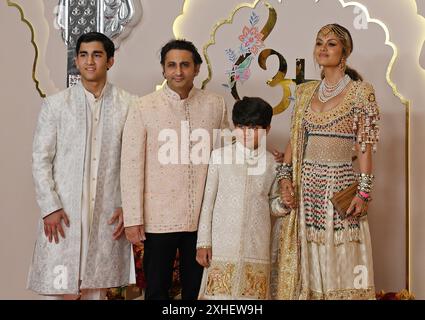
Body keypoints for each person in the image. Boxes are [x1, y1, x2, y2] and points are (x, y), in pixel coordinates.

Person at [28, 32, 136, 299]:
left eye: (97, 55)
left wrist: (128, 205)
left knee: (97, 289)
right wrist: (50, 206)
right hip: (65, 212)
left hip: (108, 209)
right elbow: (40, 159)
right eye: (84, 55)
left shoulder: (129, 105)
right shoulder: (56, 105)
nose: (90, 62)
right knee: (63, 286)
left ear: (110, 61)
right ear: (76, 61)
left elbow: (135, 161)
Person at [275, 23, 380, 300]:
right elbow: (295, 139)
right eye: (319, 42)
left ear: (345, 51)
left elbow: (366, 145)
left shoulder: (361, 92)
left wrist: (364, 191)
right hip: (306, 186)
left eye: (331, 43)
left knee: (343, 252)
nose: (323, 48)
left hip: (340, 186)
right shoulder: (306, 92)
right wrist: (285, 177)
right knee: (308, 251)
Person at [120, 39, 229, 300]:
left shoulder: (215, 104)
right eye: (171, 65)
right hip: (158, 218)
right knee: (157, 289)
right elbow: (131, 164)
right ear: (163, 69)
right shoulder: (144, 106)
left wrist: (259, 151)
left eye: (184, 65)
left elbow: (228, 148)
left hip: (201, 218)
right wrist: (133, 217)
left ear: (197, 68)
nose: (178, 71)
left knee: (197, 290)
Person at [195, 97, 289, 300]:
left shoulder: (272, 163)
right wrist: (203, 242)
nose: (247, 133)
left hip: (256, 245)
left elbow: (273, 204)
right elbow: (208, 203)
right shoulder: (219, 157)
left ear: (267, 129)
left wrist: (284, 204)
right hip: (222, 246)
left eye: (254, 127)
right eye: (241, 126)